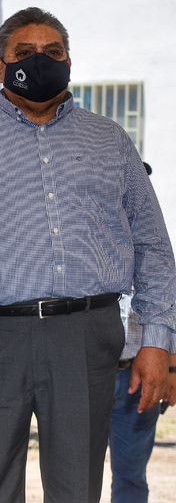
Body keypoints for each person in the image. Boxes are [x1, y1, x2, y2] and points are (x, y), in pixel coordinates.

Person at [0, 7, 176, 503]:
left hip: (84, 338)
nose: (40, 61)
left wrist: (158, 341)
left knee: (77, 489)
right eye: (24, 53)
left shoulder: (109, 139)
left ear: (69, 62)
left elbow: (153, 247)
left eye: (53, 52)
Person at [109, 163, 176, 503]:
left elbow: (170, 306)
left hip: (140, 378)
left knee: (132, 477)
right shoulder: (87, 246)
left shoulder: (158, 248)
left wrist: (172, 367)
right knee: (74, 478)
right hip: (88, 375)